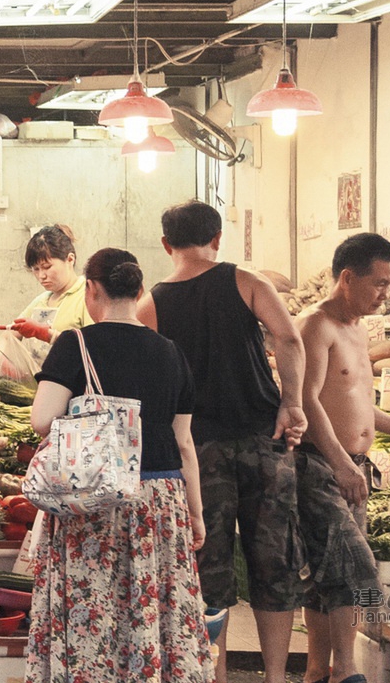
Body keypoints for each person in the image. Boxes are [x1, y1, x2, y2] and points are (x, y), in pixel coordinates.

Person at [141, 201, 307, 683]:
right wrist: (291, 404)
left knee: (207, 568)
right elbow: (289, 341)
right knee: (274, 563)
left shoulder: (152, 303)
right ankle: (276, 677)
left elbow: (156, 382)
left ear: (166, 244)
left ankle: (216, 674)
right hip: (263, 437)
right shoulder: (247, 280)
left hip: (197, 450)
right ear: (217, 238)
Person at [26, 248, 211, 683]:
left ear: (91, 289)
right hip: (160, 502)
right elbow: (185, 443)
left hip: (94, 496)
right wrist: (196, 513)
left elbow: (41, 421)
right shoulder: (171, 352)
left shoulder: (75, 343)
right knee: (151, 607)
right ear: (139, 290)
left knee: (96, 611)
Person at [297, 233, 390, 683]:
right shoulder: (316, 325)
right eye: (379, 284)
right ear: (347, 278)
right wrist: (339, 462)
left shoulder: (358, 328)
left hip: (354, 465)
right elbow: (306, 400)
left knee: (326, 577)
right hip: (320, 464)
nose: (386, 294)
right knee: (358, 570)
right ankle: (349, 673)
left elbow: (355, 402)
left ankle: (318, 671)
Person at [0, 225, 92, 381]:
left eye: (47, 267)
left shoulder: (86, 296)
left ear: (70, 259)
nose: (41, 276)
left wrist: (49, 335)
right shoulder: (42, 300)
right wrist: (3, 361)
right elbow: (6, 337)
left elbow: (93, 351)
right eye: (35, 269)